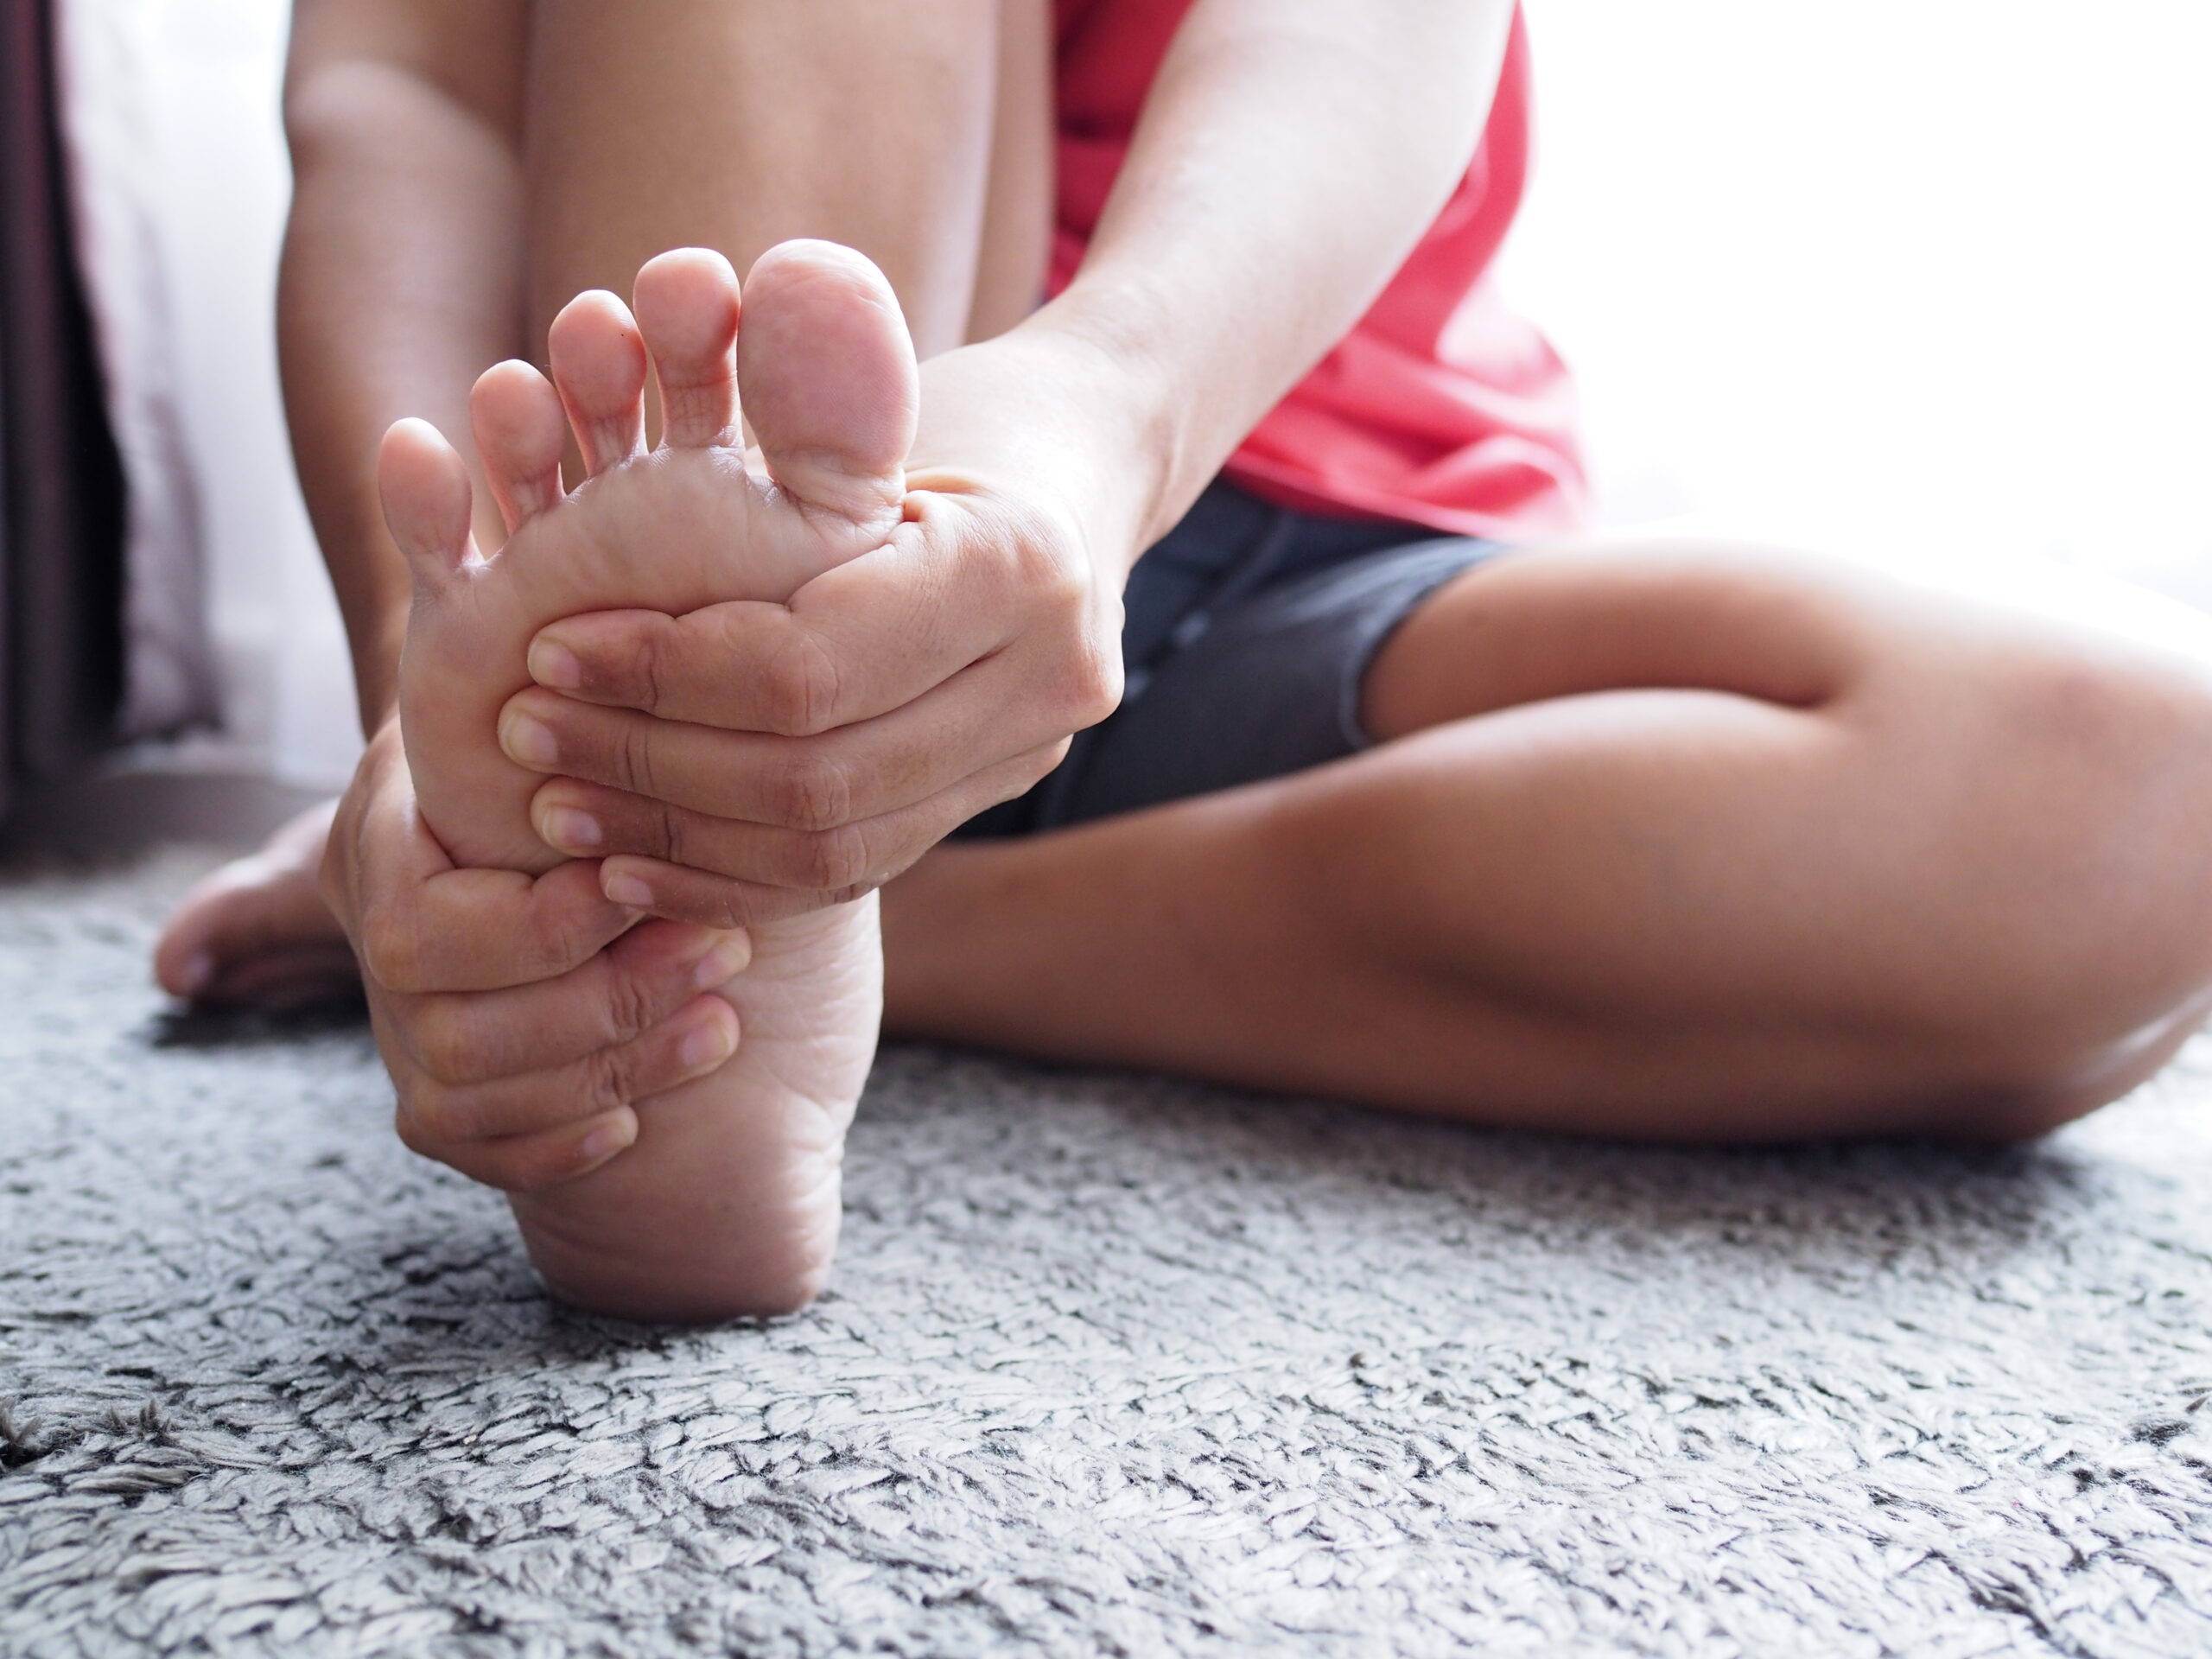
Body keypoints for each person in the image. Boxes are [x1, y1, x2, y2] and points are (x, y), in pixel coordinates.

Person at [157, 0, 2212, 1319]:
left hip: (1263, 498)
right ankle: (692, 773)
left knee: (2137, 799)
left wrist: (1094, 421)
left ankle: (727, 901)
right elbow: (405, 109)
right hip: (774, 492)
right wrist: (418, 717)